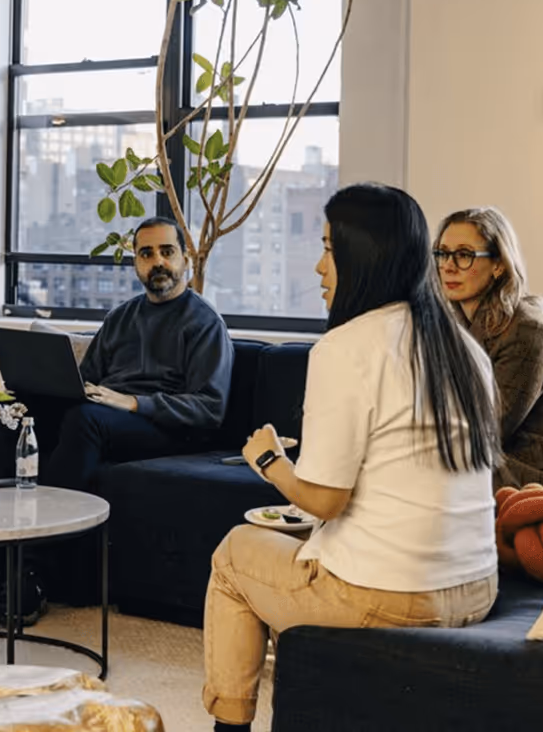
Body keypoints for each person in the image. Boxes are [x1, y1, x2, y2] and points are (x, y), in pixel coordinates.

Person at [201, 183, 501, 732]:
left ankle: (230, 726)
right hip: (476, 587)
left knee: (234, 556)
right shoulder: (464, 349)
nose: (318, 267)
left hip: (392, 596)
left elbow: (325, 500)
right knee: (295, 545)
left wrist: (268, 461)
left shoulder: (347, 347)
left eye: (328, 249)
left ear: (365, 257)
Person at [0, 215, 234, 624]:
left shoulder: (204, 322)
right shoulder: (122, 317)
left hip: (165, 429)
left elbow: (209, 408)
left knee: (85, 421)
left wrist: (135, 404)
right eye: (146, 253)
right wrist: (49, 391)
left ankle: (31, 573)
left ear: (185, 260)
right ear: (135, 264)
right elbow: (85, 382)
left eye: (167, 251)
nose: (157, 261)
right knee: (11, 413)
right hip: (107, 414)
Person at [434, 206, 543, 489]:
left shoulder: (526, 330)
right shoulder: (451, 324)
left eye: (464, 255)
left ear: (498, 265)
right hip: (489, 459)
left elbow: (488, 430)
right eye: (443, 253)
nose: (448, 265)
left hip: (538, 471)